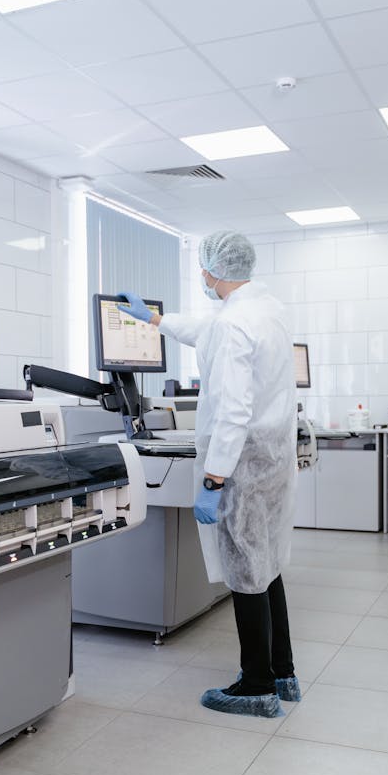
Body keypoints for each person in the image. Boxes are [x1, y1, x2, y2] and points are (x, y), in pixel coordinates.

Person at [117, 231, 299, 719]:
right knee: (267, 565)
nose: (201, 275)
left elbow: (232, 411)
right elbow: (204, 329)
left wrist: (213, 480)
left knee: (246, 573)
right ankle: (283, 672)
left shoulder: (235, 324)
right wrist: (154, 319)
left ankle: (257, 686)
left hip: (240, 463)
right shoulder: (265, 311)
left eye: (203, 267)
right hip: (272, 460)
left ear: (215, 270)